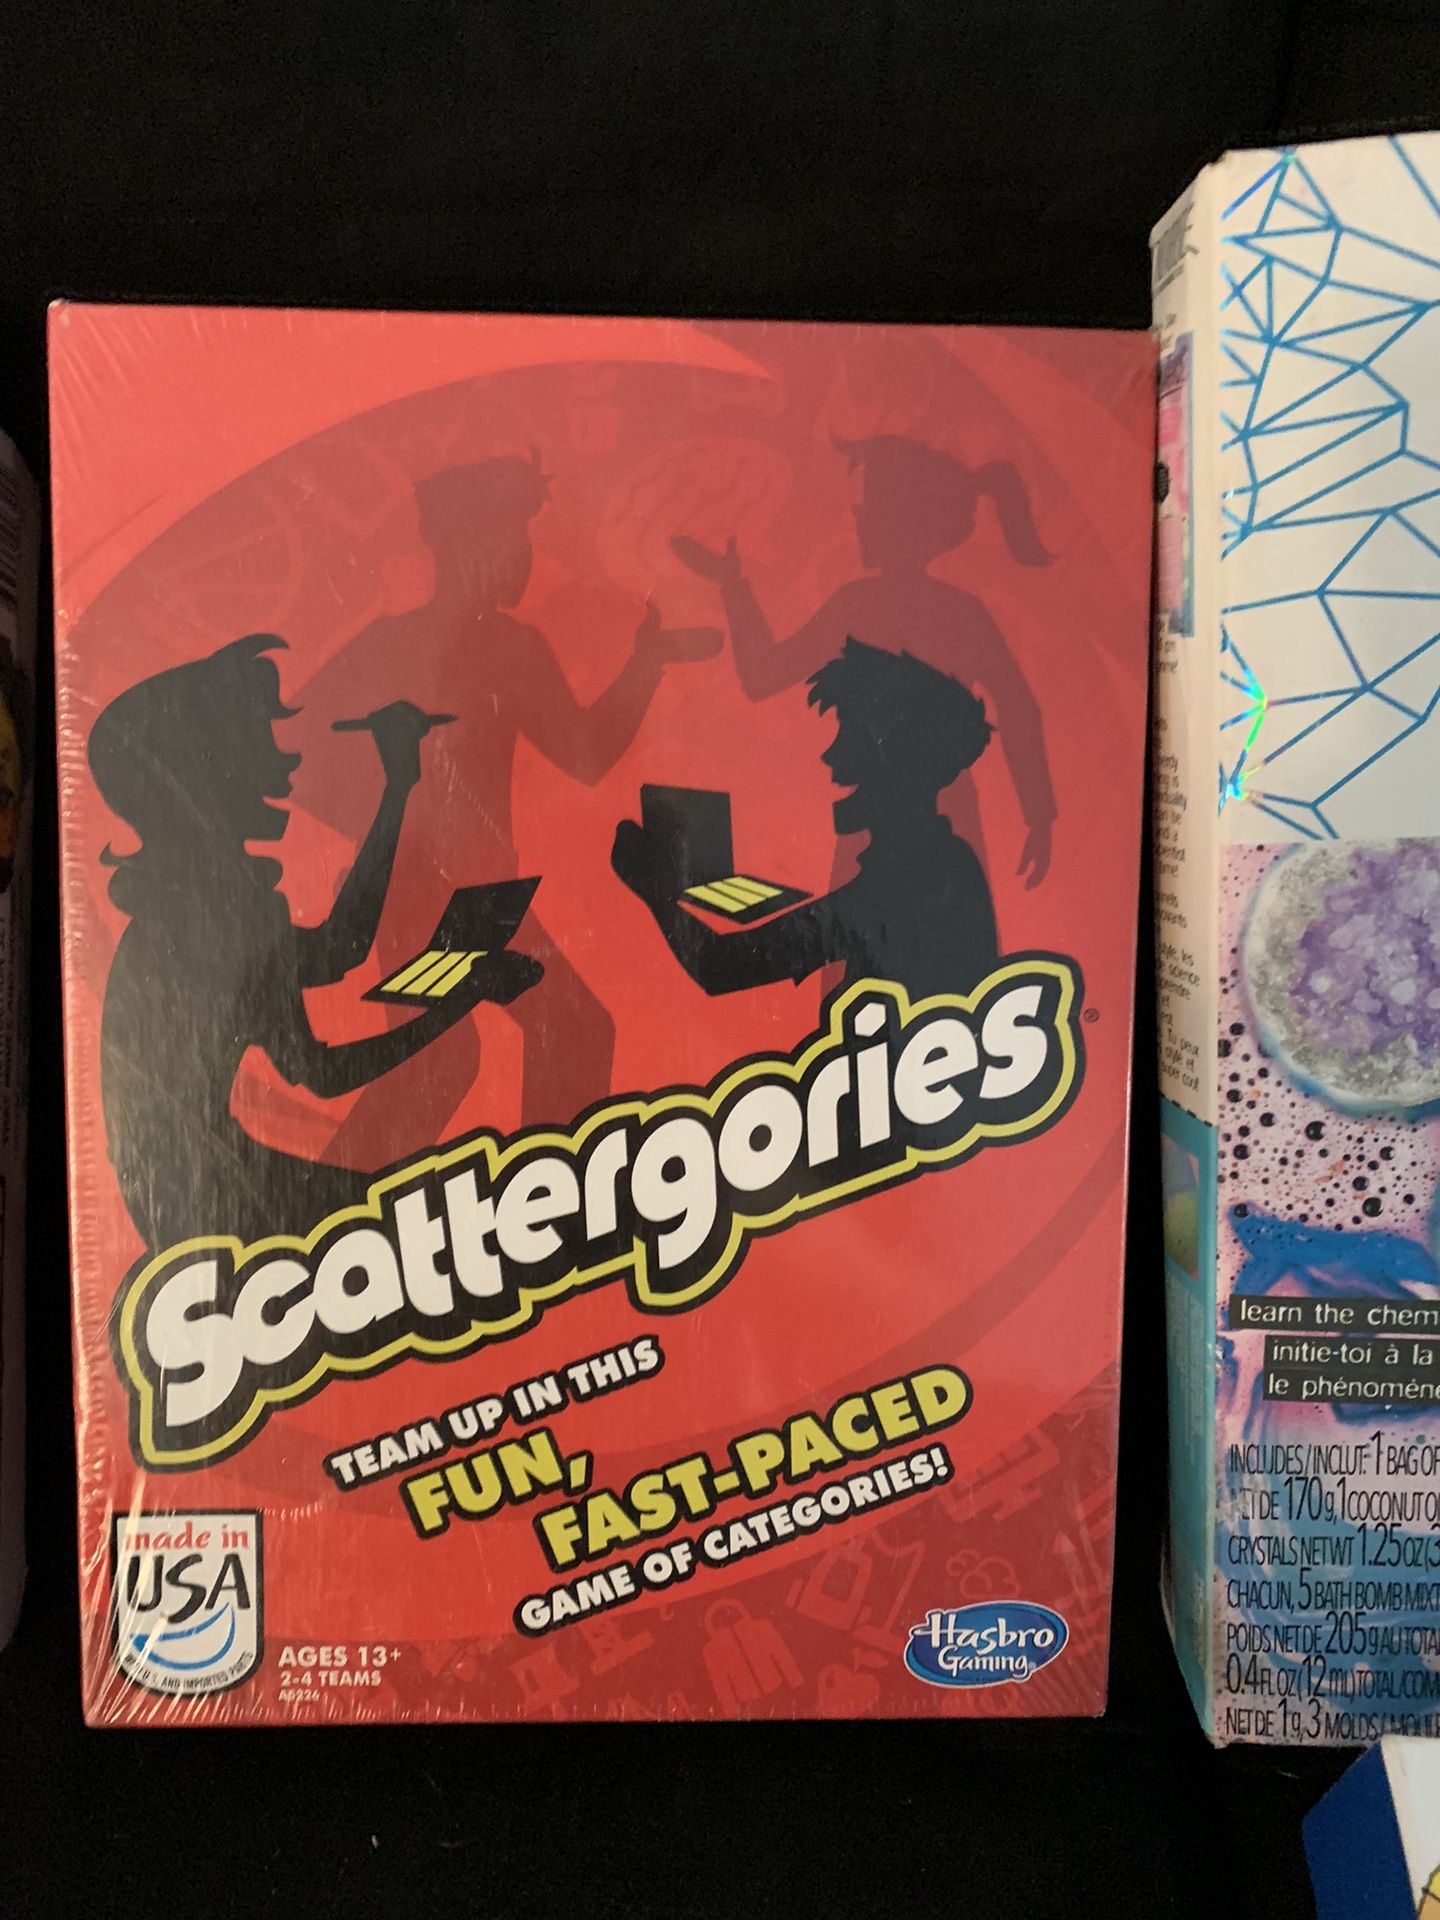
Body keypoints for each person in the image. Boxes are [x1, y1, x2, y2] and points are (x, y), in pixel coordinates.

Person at [299, 453, 719, 1150]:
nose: (519, 554)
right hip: (420, 896)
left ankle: (542, 1202)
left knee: (550, 1034)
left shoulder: (507, 647)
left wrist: (647, 662)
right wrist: (395, 834)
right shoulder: (398, 646)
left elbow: (584, 754)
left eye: (521, 533)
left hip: (478, 902)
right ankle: (334, 1200)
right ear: (465, 542)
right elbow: (296, 757)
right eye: (507, 533)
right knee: (444, 1062)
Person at [91, 634, 540, 1251]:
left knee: (413, 1225)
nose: (285, 763)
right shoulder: (216, 918)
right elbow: (323, 1072)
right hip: (195, 1200)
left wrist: (398, 785)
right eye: (260, 741)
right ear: (205, 774)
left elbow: (340, 949)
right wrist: (467, 995)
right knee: (418, 1232)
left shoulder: (202, 905)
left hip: (191, 1180)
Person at [671, 433, 1056, 894]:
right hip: (916, 812)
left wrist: (732, 585)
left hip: (898, 814)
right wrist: (1038, 816)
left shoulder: (862, 606)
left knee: (881, 932)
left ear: (899, 520)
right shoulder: (953, 610)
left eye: (870, 506)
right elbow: (1019, 708)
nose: (858, 517)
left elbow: (763, 674)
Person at [611, 637, 998, 1002]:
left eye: (851, 737)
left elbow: (722, 966)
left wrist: (655, 891)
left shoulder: (909, 881)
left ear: (900, 761)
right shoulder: (939, 863)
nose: (831, 756)